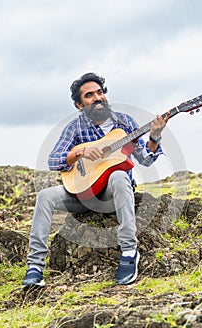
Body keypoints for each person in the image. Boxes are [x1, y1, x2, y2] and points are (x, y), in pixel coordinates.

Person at [23, 72, 169, 289]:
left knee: (119, 176)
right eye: (89, 95)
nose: (98, 97)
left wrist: (155, 137)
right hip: (82, 195)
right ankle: (34, 268)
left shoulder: (125, 123)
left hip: (112, 196)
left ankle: (129, 252)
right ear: (79, 104)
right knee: (45, 195)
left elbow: (145, 160)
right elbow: (53, 160)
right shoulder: (75, 127)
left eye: (100, 92)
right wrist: (81, 151)